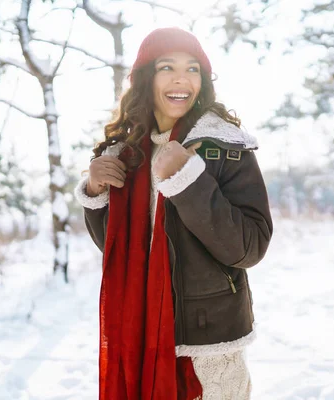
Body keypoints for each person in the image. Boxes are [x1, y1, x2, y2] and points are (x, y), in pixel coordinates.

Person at [74, 27, 273, 400]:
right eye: (167, 67)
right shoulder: (125, 154)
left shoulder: (225, 148)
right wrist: (95, 192)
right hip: (140, 328)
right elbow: (120, 254)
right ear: (146, 78)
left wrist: (188, 180)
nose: (182, 78)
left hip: (207, 337)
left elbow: (249, 248)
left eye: (193, 68)